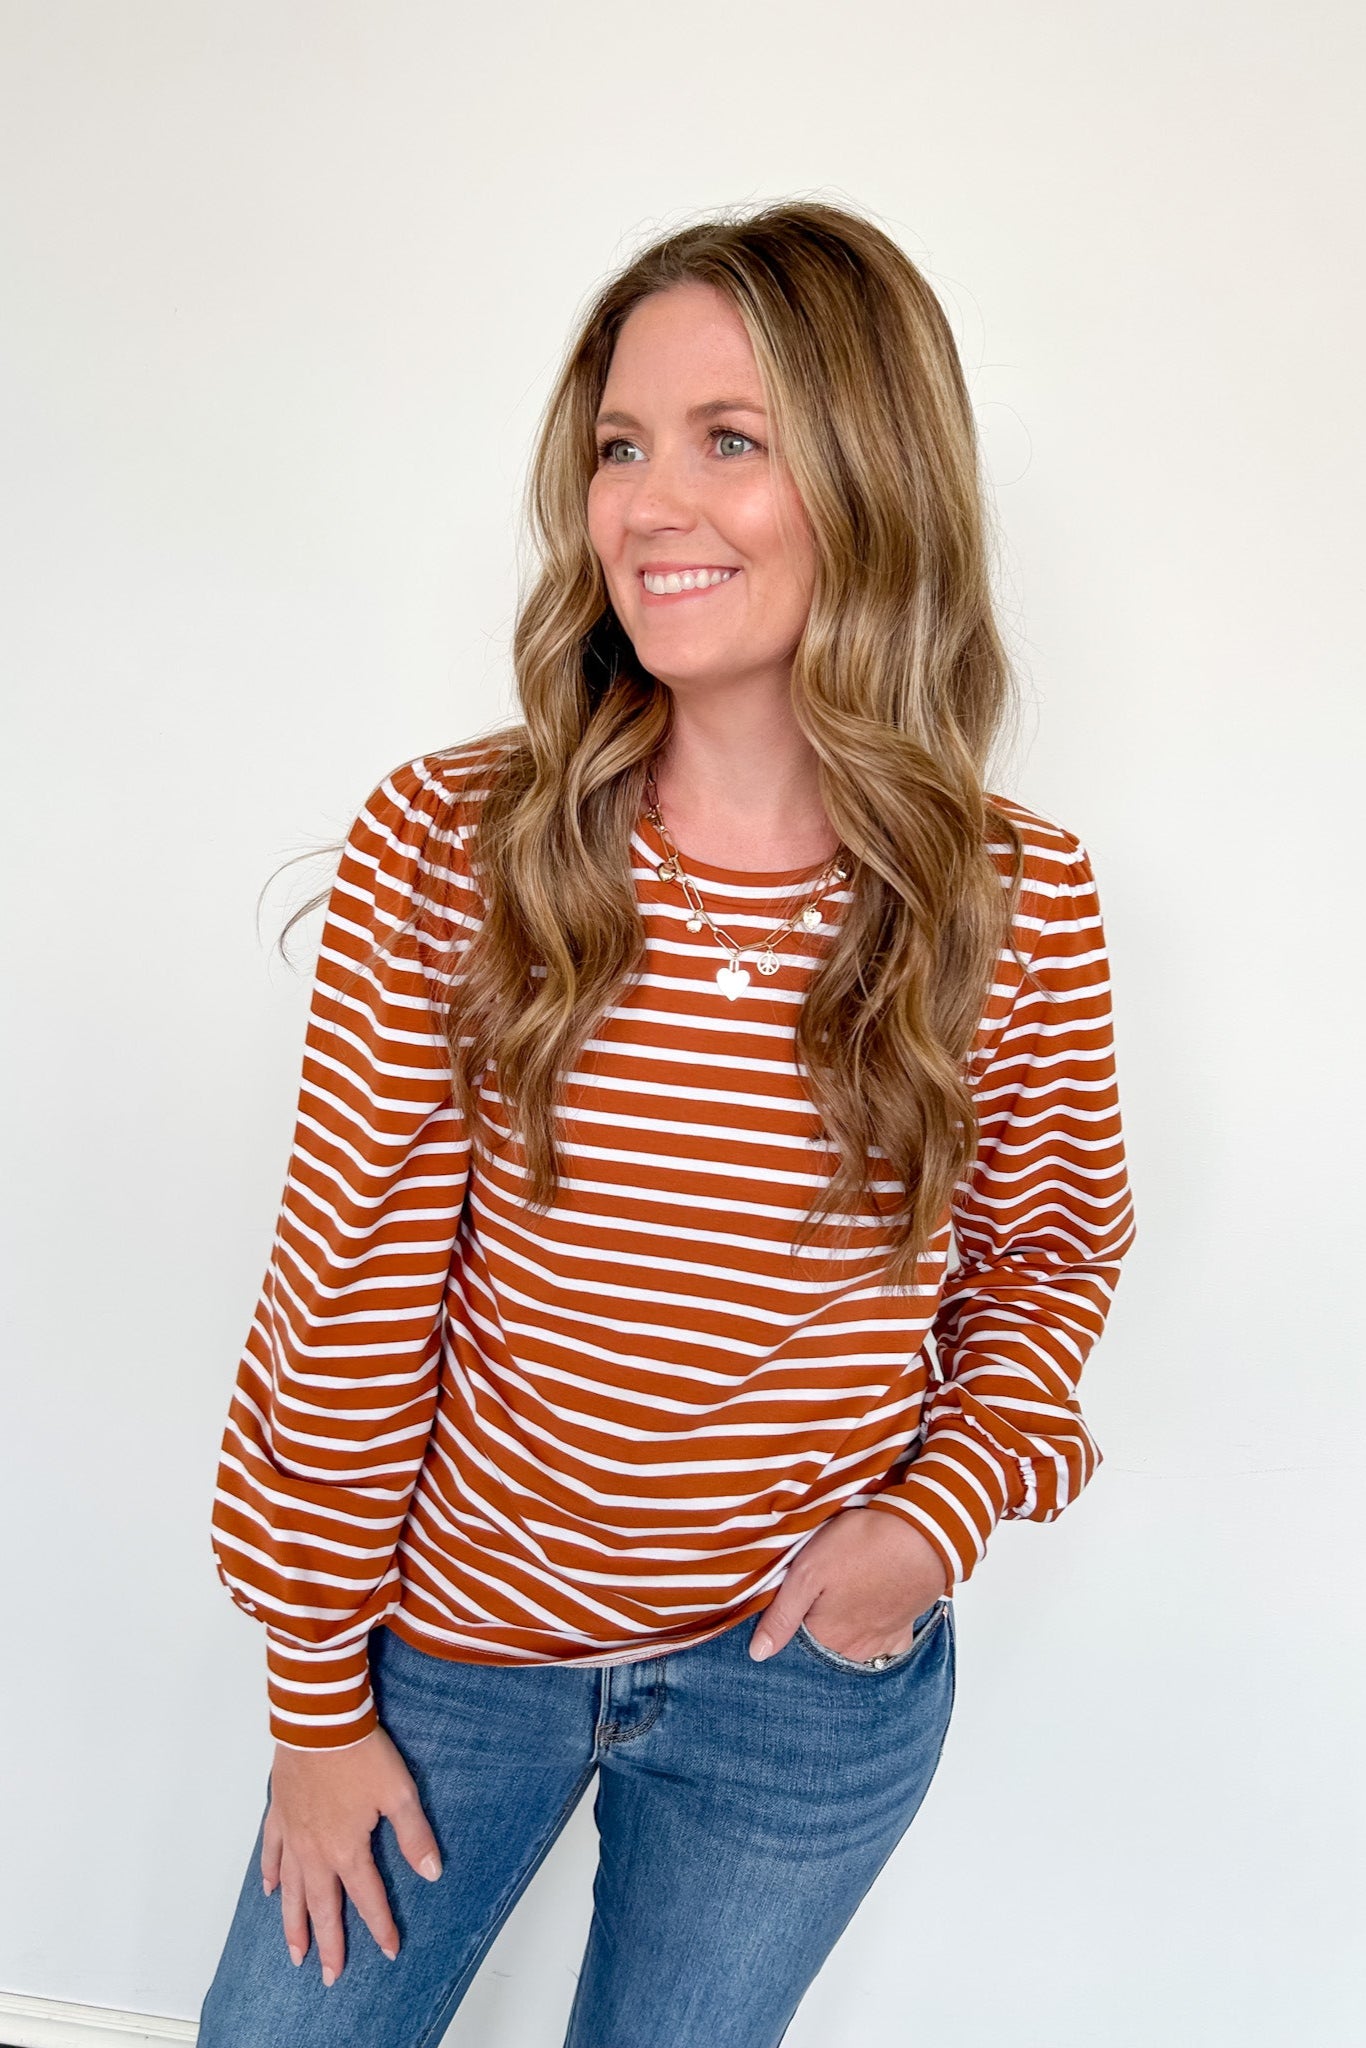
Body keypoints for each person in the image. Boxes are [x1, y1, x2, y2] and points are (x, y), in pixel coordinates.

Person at [198, 198, 1136, 2048]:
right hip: (447, 1660)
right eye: (621, 446)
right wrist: (316, 1704)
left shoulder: (1008, 898)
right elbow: (350, 1296)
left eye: (731, 441)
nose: (645, 503)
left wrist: (931, 1531)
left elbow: (1045, 1259)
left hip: (800, 1684)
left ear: (871, 480)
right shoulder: (454, 846)